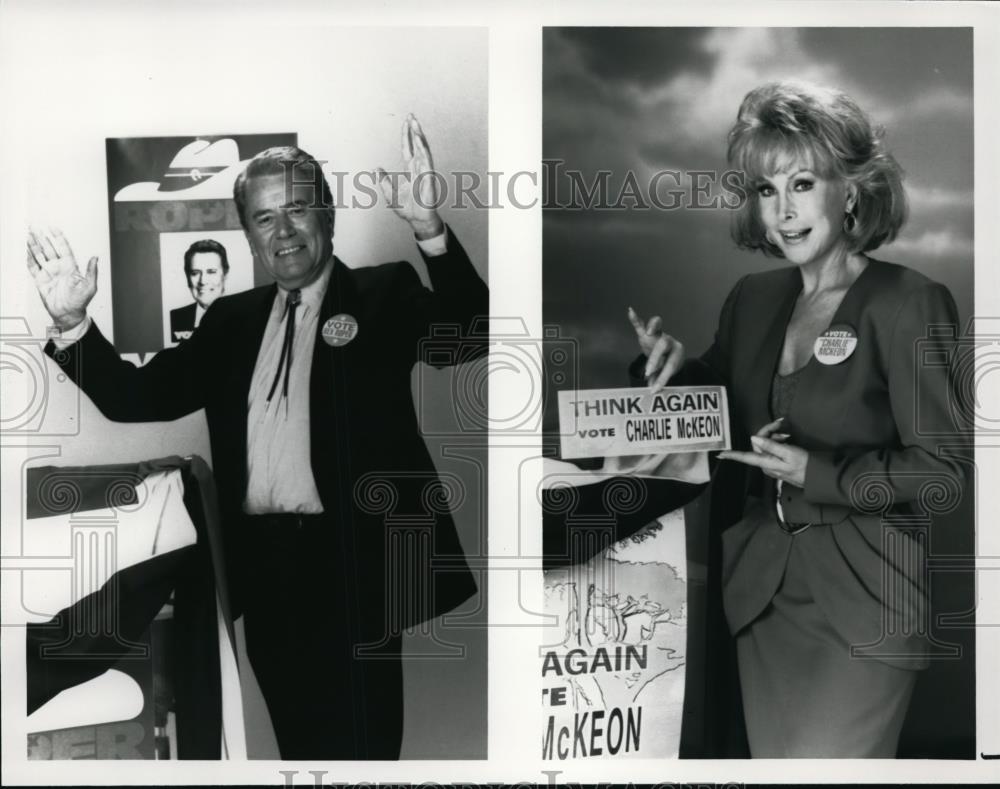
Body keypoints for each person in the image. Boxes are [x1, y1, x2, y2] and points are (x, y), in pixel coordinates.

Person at [26, 115, 488, 760]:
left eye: (298, 208)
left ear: (326, 213)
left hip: (358, 568)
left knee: (363, 753)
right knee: (300, 751)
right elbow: (137, 399)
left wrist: (428, 229)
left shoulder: (384, 293)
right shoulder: (231, 321)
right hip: (266, 575)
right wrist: (75, 325)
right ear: (247, 235)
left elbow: (471, 335)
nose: (284, 230)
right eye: (265, 218)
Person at [628, 82, 967, 757]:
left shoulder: (909, 302)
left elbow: (943, 473)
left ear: (851, 190)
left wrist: (817, 471)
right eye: (765, 190)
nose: (781, 212)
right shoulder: (751, 299)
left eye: (802, 183)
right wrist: (666, 371)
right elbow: (718, 407)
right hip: (761, 595)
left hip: (866, 601)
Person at [170, 238, 229, 343]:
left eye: (211, 272)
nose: (203, 281)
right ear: (187, 277)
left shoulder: (244, 315)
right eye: (195, 273)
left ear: (225, 274)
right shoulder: (175, 318)